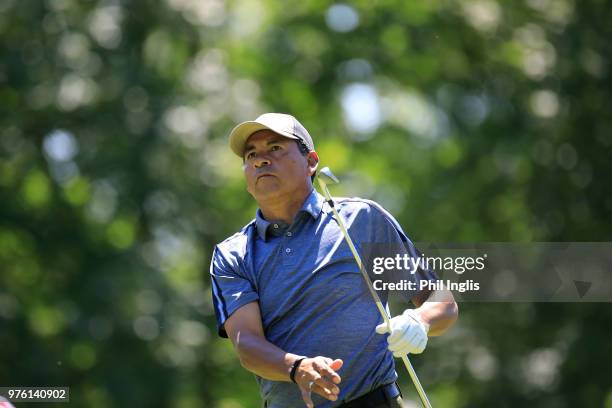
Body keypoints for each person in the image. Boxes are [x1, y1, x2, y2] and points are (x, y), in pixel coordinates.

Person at [210, 113, 458, 408]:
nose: (261, 160)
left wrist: (420, 320)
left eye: (275, 148)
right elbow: (247, 344)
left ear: (311, 162)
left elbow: (441, 300)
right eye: (251, 155)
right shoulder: (232, 253)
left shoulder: (360, 220)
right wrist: (296, 367)